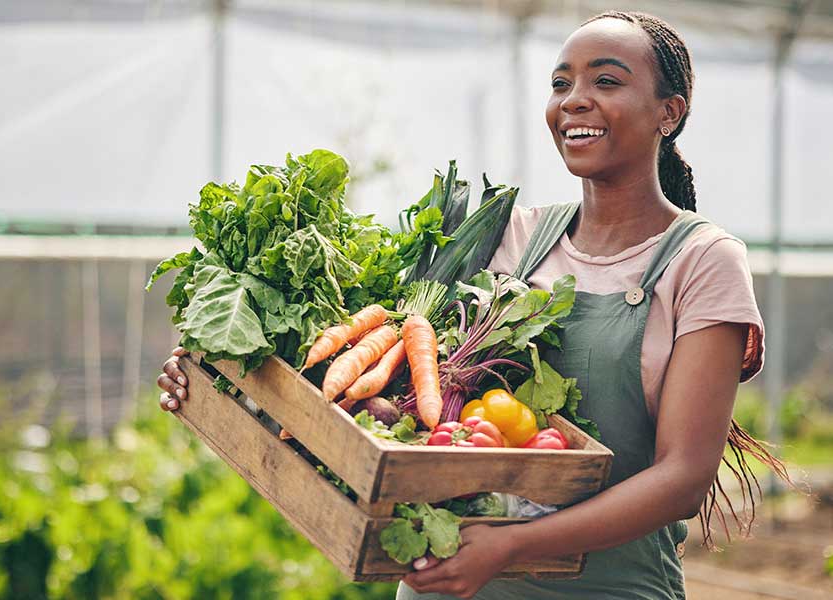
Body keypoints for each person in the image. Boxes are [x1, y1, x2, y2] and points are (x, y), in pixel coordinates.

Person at [158, 11, 792, 599]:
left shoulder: (702, 261)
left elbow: (681, 480)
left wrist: (513, 544)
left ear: (669, 112)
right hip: (447, 580)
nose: (574, 100)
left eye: (606, 80)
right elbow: (371, 377)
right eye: (560, 82)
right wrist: (223, 379)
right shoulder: (509, 236)